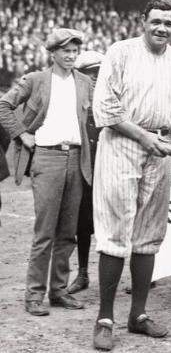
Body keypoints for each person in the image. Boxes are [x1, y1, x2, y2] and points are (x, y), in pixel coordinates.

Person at [91, 0, 171, 351]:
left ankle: (137, 315)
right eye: (156, 21)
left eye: (169, 23)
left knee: (149, 234)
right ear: (143, 21)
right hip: (122, 143)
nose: (161, 28)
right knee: (115, 232)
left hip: (162, 150)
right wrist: (144, 137)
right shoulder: (120, 53)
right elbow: (106, 109)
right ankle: (105, 318)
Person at [0, 28, 93, 316]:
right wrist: (21, 134)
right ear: (52, 53)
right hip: (47, 157)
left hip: (77, 159)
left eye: (75, 50)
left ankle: (59, 291)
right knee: (45, 232)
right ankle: (33, 295)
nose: (71, 55)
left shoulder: (85, 82)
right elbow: (3, 105)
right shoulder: (37, 80)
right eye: (65, 50)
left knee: (68, 232)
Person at [67, 50, 104, 295]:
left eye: (98, 73)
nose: (95, 79)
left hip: (111, 166)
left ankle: (139, 274)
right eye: (90, 74)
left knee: (121, 218)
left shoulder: (113, 96)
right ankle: (82, 273)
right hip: (84, 167)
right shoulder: (72, 98)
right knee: (82, 223)